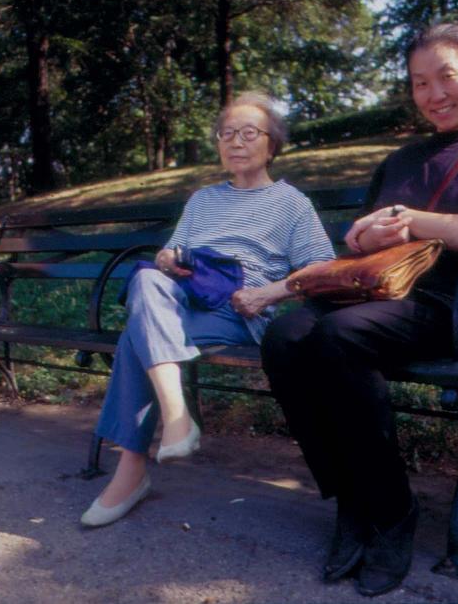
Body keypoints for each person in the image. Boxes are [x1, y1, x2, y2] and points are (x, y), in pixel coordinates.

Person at [260, 22, 458, 597]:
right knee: (284, 336)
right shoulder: (400, 158)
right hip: (371, 296)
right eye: (419, 84)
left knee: (336, 338)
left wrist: (405, 219)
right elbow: (360, 241)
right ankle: (352, 501)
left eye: (447, 78)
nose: (434, 94)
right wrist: (363, 236)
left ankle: (393, 510)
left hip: (441, 306)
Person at [81, 92, 334, 528]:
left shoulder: (291, 203)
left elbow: (321, 269)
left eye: (249, 133)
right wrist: (166, 259)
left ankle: (131, 471)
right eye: (227, 134)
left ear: (272, 144)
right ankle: (177, 417)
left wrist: (267, 294)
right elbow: (170, 251)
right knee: (145, 278)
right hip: (186, 296)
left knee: (134, 338)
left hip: (240, 307)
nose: (235, 141)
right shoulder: (202, 200)